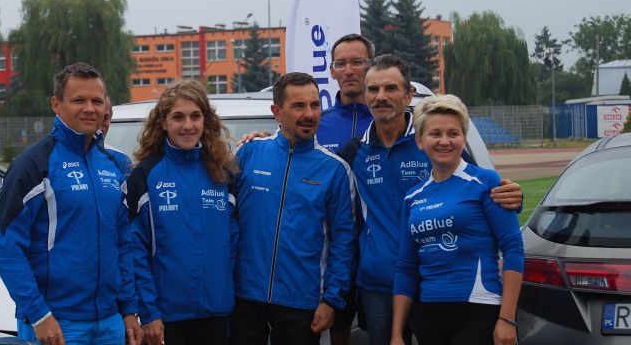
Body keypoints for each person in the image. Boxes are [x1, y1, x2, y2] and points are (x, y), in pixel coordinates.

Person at [338, 55, 523, 345]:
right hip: (379, 283)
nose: (381, 96)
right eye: (373, 89)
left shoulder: (435, 140)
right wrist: (263, 141)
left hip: (437, 283)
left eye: (391, 88)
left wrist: (512, 197)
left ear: (408, 94)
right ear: (365, 95)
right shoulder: (353, 152)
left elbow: (476, 189)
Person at [0, 63, 143, 345]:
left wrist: (129, 308)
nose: (89, 108)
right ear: (56, 105)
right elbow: (5, 249)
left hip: (110, 322)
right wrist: (39, 315)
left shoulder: (112, 166)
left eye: (97, 101)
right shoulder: (33, 165)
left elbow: (122, 243)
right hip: (58, 323)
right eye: (78, 100)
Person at [231, 72, 356, 345]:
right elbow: (225, 222)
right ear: (277, 112)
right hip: (245, 297)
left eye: (315, 105)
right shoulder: (248, 153)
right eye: (298, 106)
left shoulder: (335, 169)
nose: (309, 114)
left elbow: (344, 242)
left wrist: (332, 300)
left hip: (302, 301)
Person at [391, 94, 524, 345]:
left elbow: (513, 248)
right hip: (429, 311)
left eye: (453, 133)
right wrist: (397, 334)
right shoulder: (413, 197)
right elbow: (406, 267)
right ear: (419, 140)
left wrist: (507, 319)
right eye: (435, 134)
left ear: (463, 138)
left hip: (479, 307)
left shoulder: (486, 182)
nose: (445, 141)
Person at [124, 80, 238, 345]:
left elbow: (233, 244)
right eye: (178, 117)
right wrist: (149, 311)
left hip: (217, 313)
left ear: (205, 120)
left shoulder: (223, 173)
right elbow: (135, 251)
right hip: (165, 318)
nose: (188, 125)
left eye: (195, 116)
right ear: (163, 122)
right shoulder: (145, 175)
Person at [101, 95, 133, 179]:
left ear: (111, 116)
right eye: (93, 119)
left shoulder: (121, 161)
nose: (99, 128)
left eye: (104, 119)